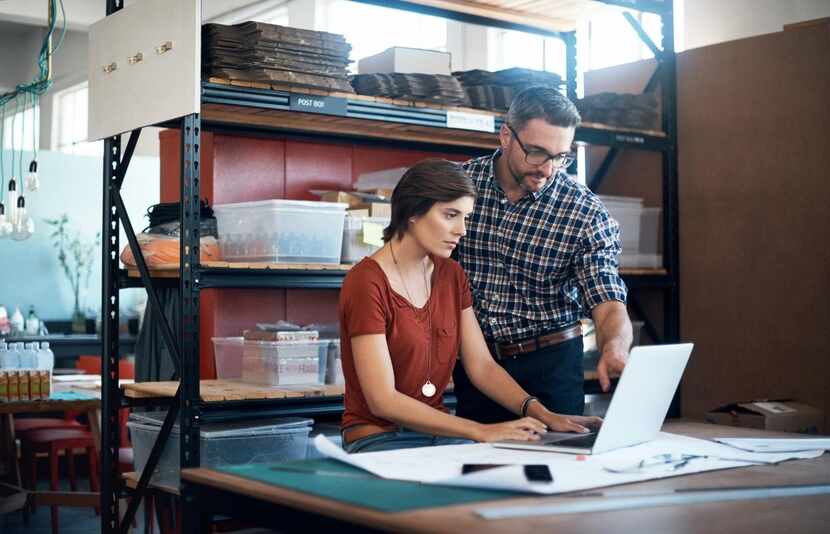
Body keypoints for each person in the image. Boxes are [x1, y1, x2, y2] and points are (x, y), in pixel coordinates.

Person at [339, 158, 601, 453]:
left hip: (436, 438)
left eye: (466, 217)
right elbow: (382, 399)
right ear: (413, 211)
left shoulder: (451, 274)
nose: (461, 229)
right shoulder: (366, 281)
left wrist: (543, 414)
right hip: (378, 437)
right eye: (450, 215)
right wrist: (481, 431)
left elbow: (482, 366)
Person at [453, 86, 633, 424]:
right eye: (536, 152)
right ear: (506, 136)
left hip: (551, 368)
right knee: (475, 467)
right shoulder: (458, 187)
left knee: (556, 469)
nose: (548, 169)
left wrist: (614, 347)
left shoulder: (585, 213)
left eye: (560, 157)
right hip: (477, 366)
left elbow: (607, 298)